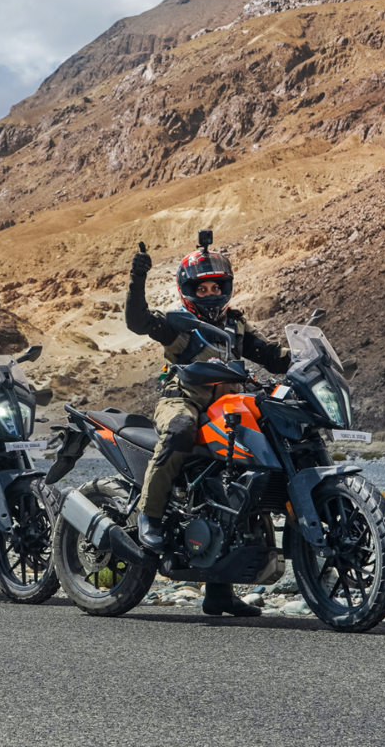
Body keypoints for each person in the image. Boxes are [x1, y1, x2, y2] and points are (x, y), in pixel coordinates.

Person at [124, 233, 289, 618]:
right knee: (180, 428)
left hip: (230, 405)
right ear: (189, 290)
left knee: (242, 474)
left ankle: (219, 592)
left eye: (217, 285)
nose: (212, 291)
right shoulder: (180, 324)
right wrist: (138, 278)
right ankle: (148, 515)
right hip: (185, 398)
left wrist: (307, 364)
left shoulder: (236, 325)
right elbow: (138, 321)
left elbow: (272, 356)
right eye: (204, 286)